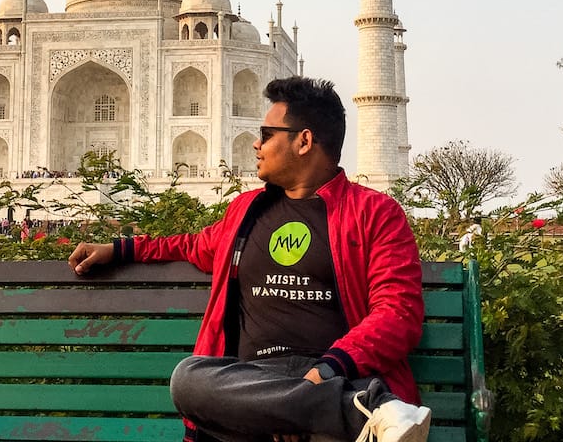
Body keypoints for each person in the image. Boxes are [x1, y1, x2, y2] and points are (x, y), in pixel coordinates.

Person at [69, 76, 431, 442]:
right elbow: (192, 245)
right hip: (254, 383)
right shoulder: (247, 211)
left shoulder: (373, 212)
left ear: (304, 141)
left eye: (267, 133)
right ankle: (358, 412)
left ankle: (321, 410)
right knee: (189, 379)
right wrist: (120, 249)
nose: (256, 144)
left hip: (339, 373)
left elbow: (397, 313)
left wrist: (326, 370)